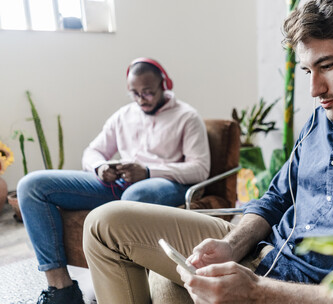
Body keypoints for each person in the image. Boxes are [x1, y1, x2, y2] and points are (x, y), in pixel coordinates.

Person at [83, 0, 333, 303]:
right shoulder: (327, 115)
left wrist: (258, 294)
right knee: (106, 224)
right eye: (308, 69)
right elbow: (275, 198)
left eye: (327, 66)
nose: (315, 89)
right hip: (264, 255)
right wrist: (230, 245)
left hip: (310, 293)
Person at [17, 57, 210, 304]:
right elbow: (92, 151)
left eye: (148, 92)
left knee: (133, 199)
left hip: (163, 185)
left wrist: (148, 171)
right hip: (117, 184)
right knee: (31, 186)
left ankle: (127, 290)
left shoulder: (187, 117)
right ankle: (61, 289)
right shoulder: (123, 115)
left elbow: (200, 168)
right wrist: (100, 167)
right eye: (135, 93)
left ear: (164, 83)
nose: (142, 99)